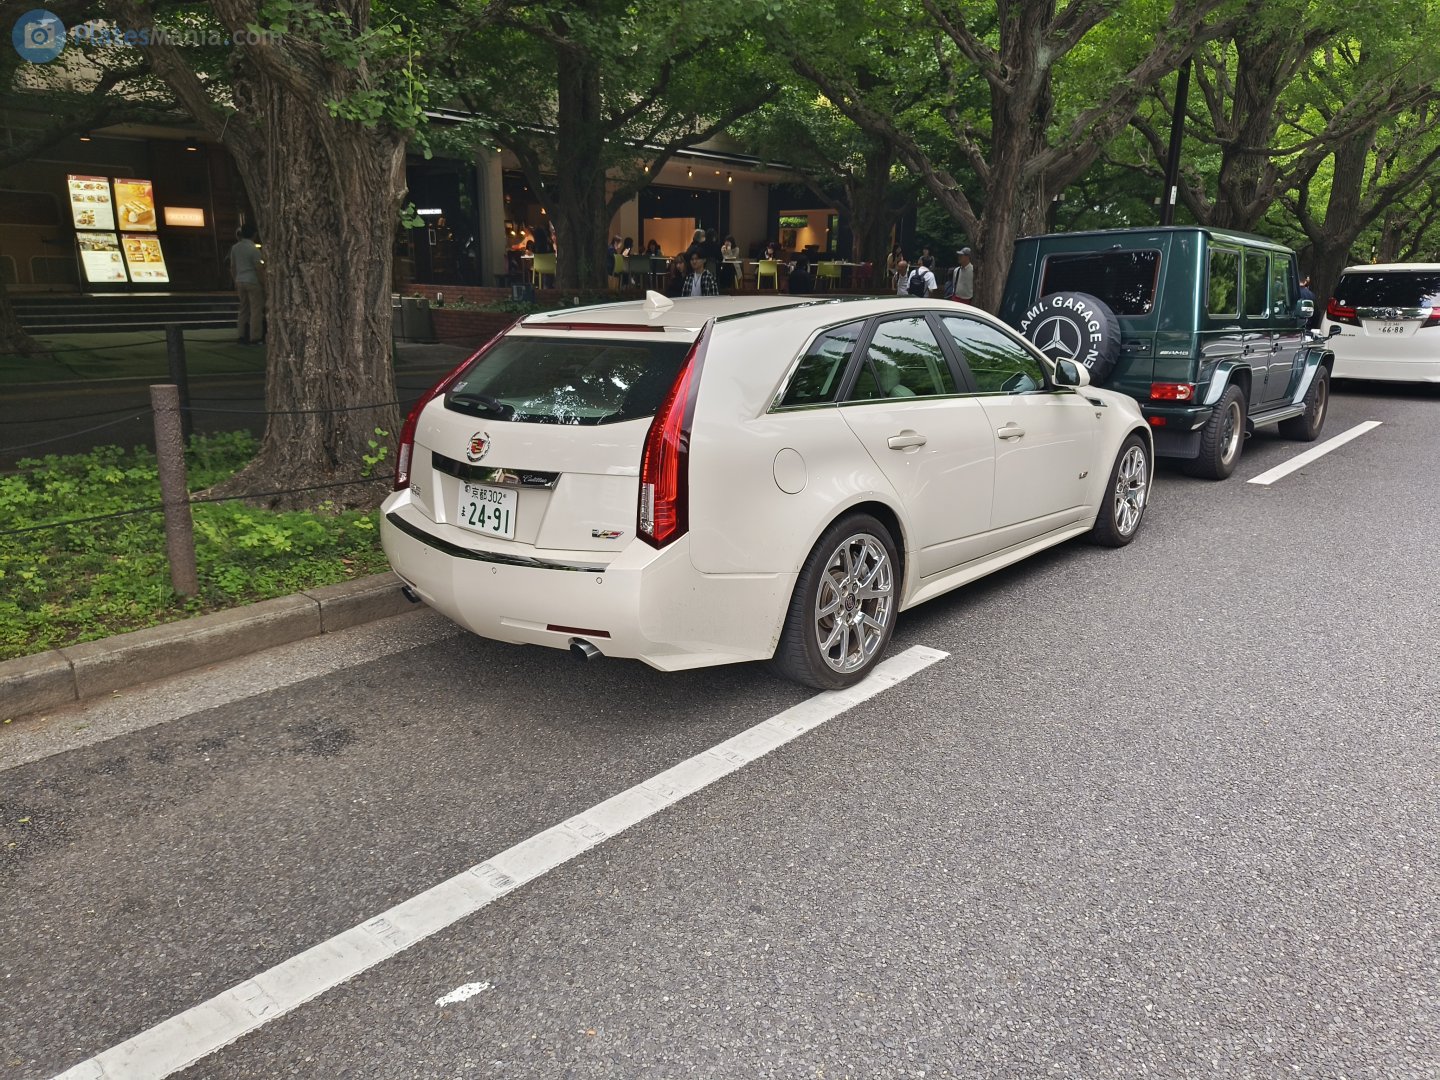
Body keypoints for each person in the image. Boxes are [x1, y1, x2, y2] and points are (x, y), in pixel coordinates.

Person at [228, 223, 265, 345]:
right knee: (256, 309)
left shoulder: (235, 248)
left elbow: (233, 266)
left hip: (240, 280)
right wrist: (263, 282)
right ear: (254, 234)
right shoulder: (254, 249)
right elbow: (258, 268)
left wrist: (235, 280)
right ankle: (255, 336)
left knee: (243, 308)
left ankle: (241, 335)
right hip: (252, 280)